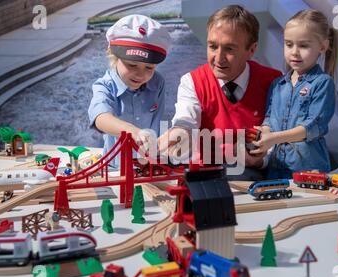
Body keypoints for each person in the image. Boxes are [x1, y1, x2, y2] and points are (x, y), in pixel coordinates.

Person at [158, 5, 282, 180]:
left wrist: (261, 161)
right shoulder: (191, 81)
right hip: (204, 173)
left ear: (251, 50)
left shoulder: (274, 82)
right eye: (213, 46)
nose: (218, 57)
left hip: (249, 173)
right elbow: (186, 120)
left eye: (229, 49)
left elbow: (279, 137)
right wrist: (180, 132)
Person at [251, 9, 338, 179]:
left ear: (323, 46)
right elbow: (270, 120)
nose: (294, 52)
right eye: (289, 44)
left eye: (304, 45)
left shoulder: (322, 83)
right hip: (276, 168)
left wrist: (273, 138)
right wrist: (261, 134)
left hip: (310, 169)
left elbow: (312, 128)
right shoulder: (278, 84)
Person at [88, 15, 171, 168]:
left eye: (149, 67)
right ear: (114, 57)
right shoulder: (104, 86)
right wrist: (133, 132)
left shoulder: (158, 83)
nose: (141, 74)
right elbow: (100, 118)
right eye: (132, 65)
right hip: (116, 168)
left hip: (147, 166)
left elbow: (158, 123)